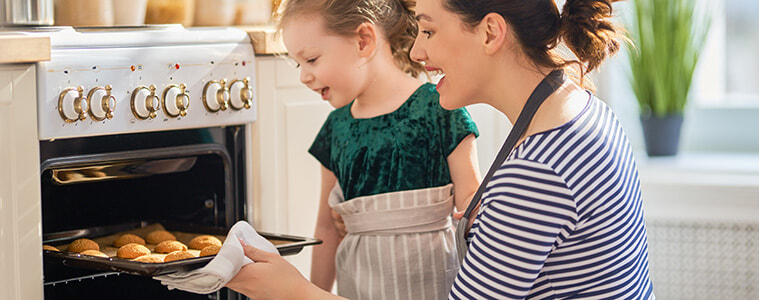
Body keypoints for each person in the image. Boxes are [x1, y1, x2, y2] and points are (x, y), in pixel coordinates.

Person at [226, 0, 657, 299]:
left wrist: (295, 293)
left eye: (429, 30)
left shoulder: (538, 170)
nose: (416, 50)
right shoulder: (581, 108)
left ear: (490, 32)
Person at [250, 0, 482, 299]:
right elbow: (327, 228)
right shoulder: (336, 128)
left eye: (312, 59)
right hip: (359, 285)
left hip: (436, 284)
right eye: (299, 64)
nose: (304, 76)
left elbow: (472, 213)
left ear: (363, 40)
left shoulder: (441, 109)